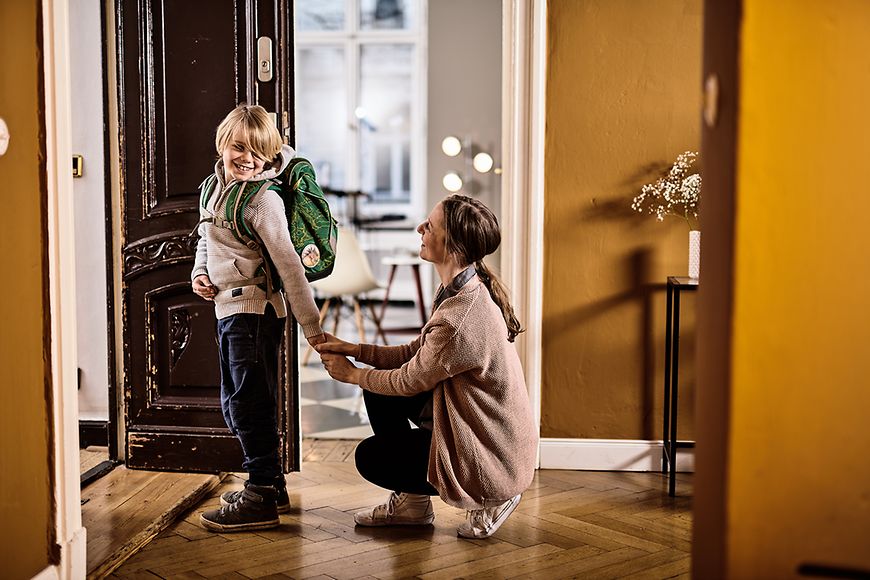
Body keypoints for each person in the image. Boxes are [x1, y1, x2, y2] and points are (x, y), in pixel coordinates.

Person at [315, 194, 538, 539]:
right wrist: (354, 348)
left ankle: (494, 496)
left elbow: (409, 381)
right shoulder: (460, 289)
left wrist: (352, 373)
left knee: (372, 458)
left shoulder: (460, 317)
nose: (420, 228)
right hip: (488, 436)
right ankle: (413, 506)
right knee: (377, 392)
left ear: (452, 245)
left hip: (493, 458)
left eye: (430, 226)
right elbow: (415, 354)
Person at [191, 104, 325, 532]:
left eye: (258, 152)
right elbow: (205, 237)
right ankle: (272, 487)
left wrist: (314, 330)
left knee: (249, 402)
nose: (247, 158)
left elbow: (290, 267)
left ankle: (261, 493)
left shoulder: (263, 201)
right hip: (229, 310)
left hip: (254, 312)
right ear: (223, 144)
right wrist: (199, 273)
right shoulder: (213, 187)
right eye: (239, 147)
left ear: (270, 155)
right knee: (240, 398)